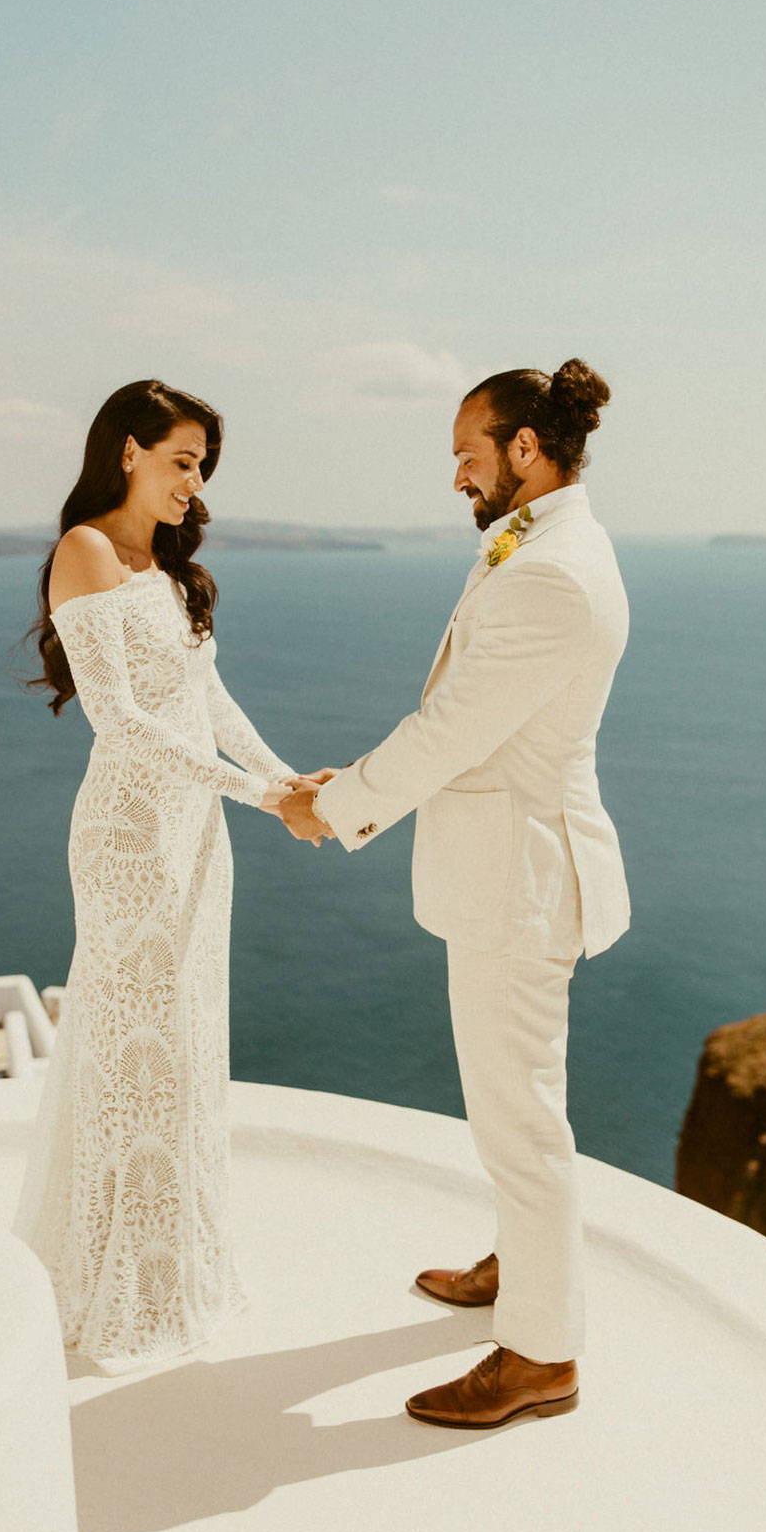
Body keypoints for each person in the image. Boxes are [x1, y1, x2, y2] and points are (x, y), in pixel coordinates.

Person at [278, 359, 631, 1428]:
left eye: (466, 455)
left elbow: (454, 728)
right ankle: (522, 1266)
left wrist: (337, 808)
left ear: (525, 447)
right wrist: (358, 785)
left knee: (520, 1117)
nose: (456, 477)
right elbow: (484, 725)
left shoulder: (550, 572)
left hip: (518, 885)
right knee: (510, 1104)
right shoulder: (547, 543)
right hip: (508, 868)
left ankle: (538, 1354)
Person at [13, 379, 317, 1374]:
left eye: (202, 467)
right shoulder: (87, 550)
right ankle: (111, 1278)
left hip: (193, 839)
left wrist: (282, 777)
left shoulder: (170, 569)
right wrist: (258, 798)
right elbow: (126, 726)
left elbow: (206, 698)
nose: (194, 483)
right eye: (183, 461)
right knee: (128, 1052)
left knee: (181, 1048)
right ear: (130, 451)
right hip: (128, 839)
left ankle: (166, 1264)